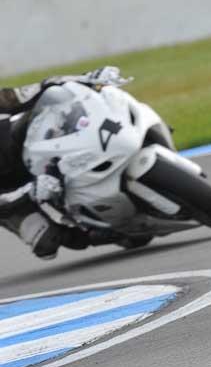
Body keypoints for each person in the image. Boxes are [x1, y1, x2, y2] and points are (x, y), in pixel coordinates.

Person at [0, 67, 127, 259]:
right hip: (10, 197)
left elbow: (35, 91)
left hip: (20, 150)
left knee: (54, 109)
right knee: (47, 242)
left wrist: (85, 78)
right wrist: (30, 190)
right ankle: (93, 232)